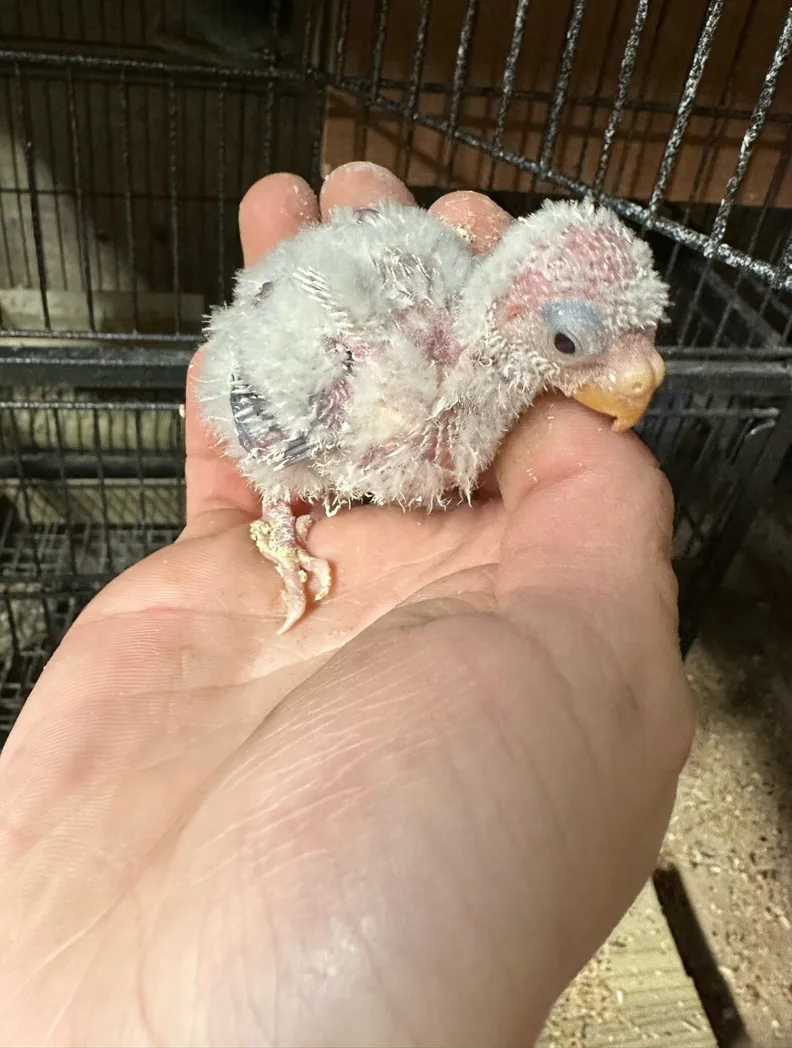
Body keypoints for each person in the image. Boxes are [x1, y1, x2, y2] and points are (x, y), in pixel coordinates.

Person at [0, 164, 694, 1047]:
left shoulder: (469, 380)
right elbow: (248, 396)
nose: (630, 378)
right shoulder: (398, 391)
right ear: (520, 324)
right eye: (573, 343)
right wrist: (279, 505)